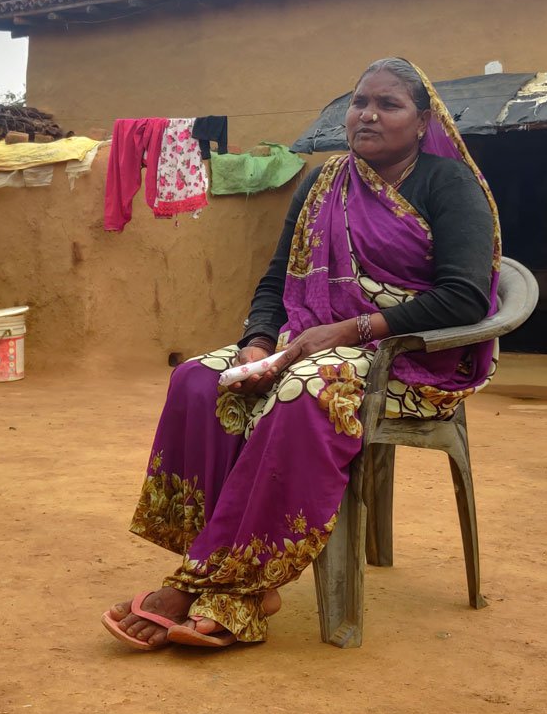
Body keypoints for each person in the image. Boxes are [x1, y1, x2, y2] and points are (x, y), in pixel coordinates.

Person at [103, 57, 501, 650]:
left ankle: (219, 586)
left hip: (407, 356)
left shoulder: (447, 183)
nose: (367, 114)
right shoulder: (323, 182)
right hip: (311, 338)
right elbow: (274, 280)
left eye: (388, 105)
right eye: (359, 101)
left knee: (300, 392)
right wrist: (258, 342)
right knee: (200, 380)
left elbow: (465, 297)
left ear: (423, 123)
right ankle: (232, 575)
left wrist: (352, 330)